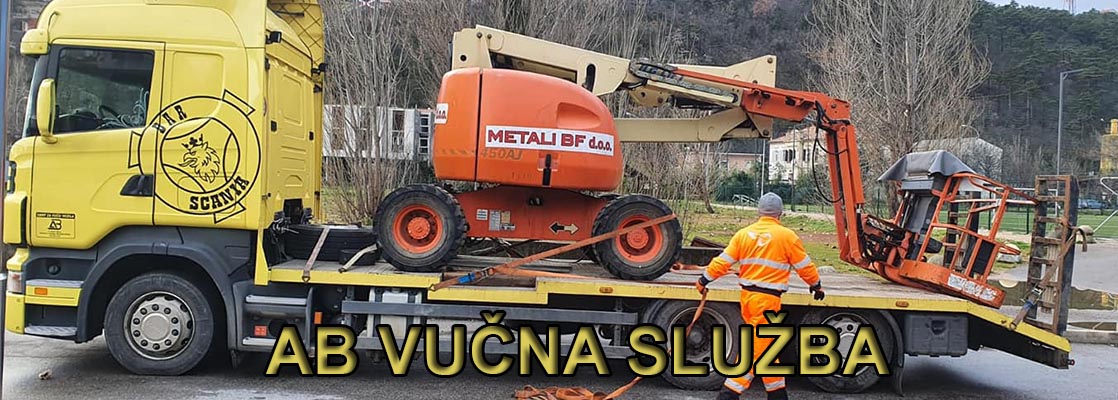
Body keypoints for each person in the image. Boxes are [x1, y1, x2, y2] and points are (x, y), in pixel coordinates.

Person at [695, 192, 825, 400]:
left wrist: (704, 280)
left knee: (765, 347)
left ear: (759, 212)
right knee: (757, 349)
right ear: (780, 214)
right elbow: (804, 266)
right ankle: (729, 393)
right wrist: (816, 285)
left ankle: (777, 394)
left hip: (748, 298)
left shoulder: (743, 234)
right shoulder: (787, 237)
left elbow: (723, 261)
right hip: (768, 301)